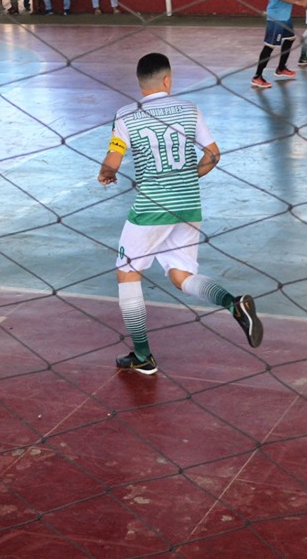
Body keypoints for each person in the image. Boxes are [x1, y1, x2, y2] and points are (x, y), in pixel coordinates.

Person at [97, 52, 264, 375]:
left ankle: (143, 356)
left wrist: (106, 174)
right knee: (180, 275)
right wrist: (187, 177)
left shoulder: (126, 115)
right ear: (168, 80)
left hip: (151, 207)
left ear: (139, 82)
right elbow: (213, 154)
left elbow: (113, 160)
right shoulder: (189, 110)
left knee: (127, 272)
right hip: (188, 205)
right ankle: (233, 303)